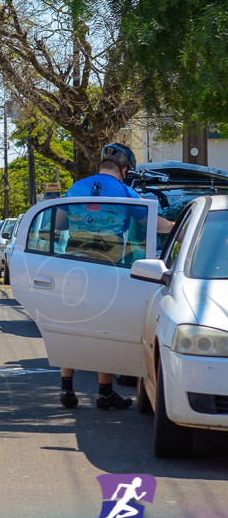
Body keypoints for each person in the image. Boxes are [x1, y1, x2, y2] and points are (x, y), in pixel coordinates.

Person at [56, 143, 171, 410]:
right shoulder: (125, 192)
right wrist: (185, 225)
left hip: (74, 266)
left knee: (72, 328)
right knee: (102, 330)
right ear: (124, 169)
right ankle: (105, 393)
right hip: (108, 269)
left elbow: (59, 224)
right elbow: (154, 225)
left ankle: (66, 389)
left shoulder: (76, 188)